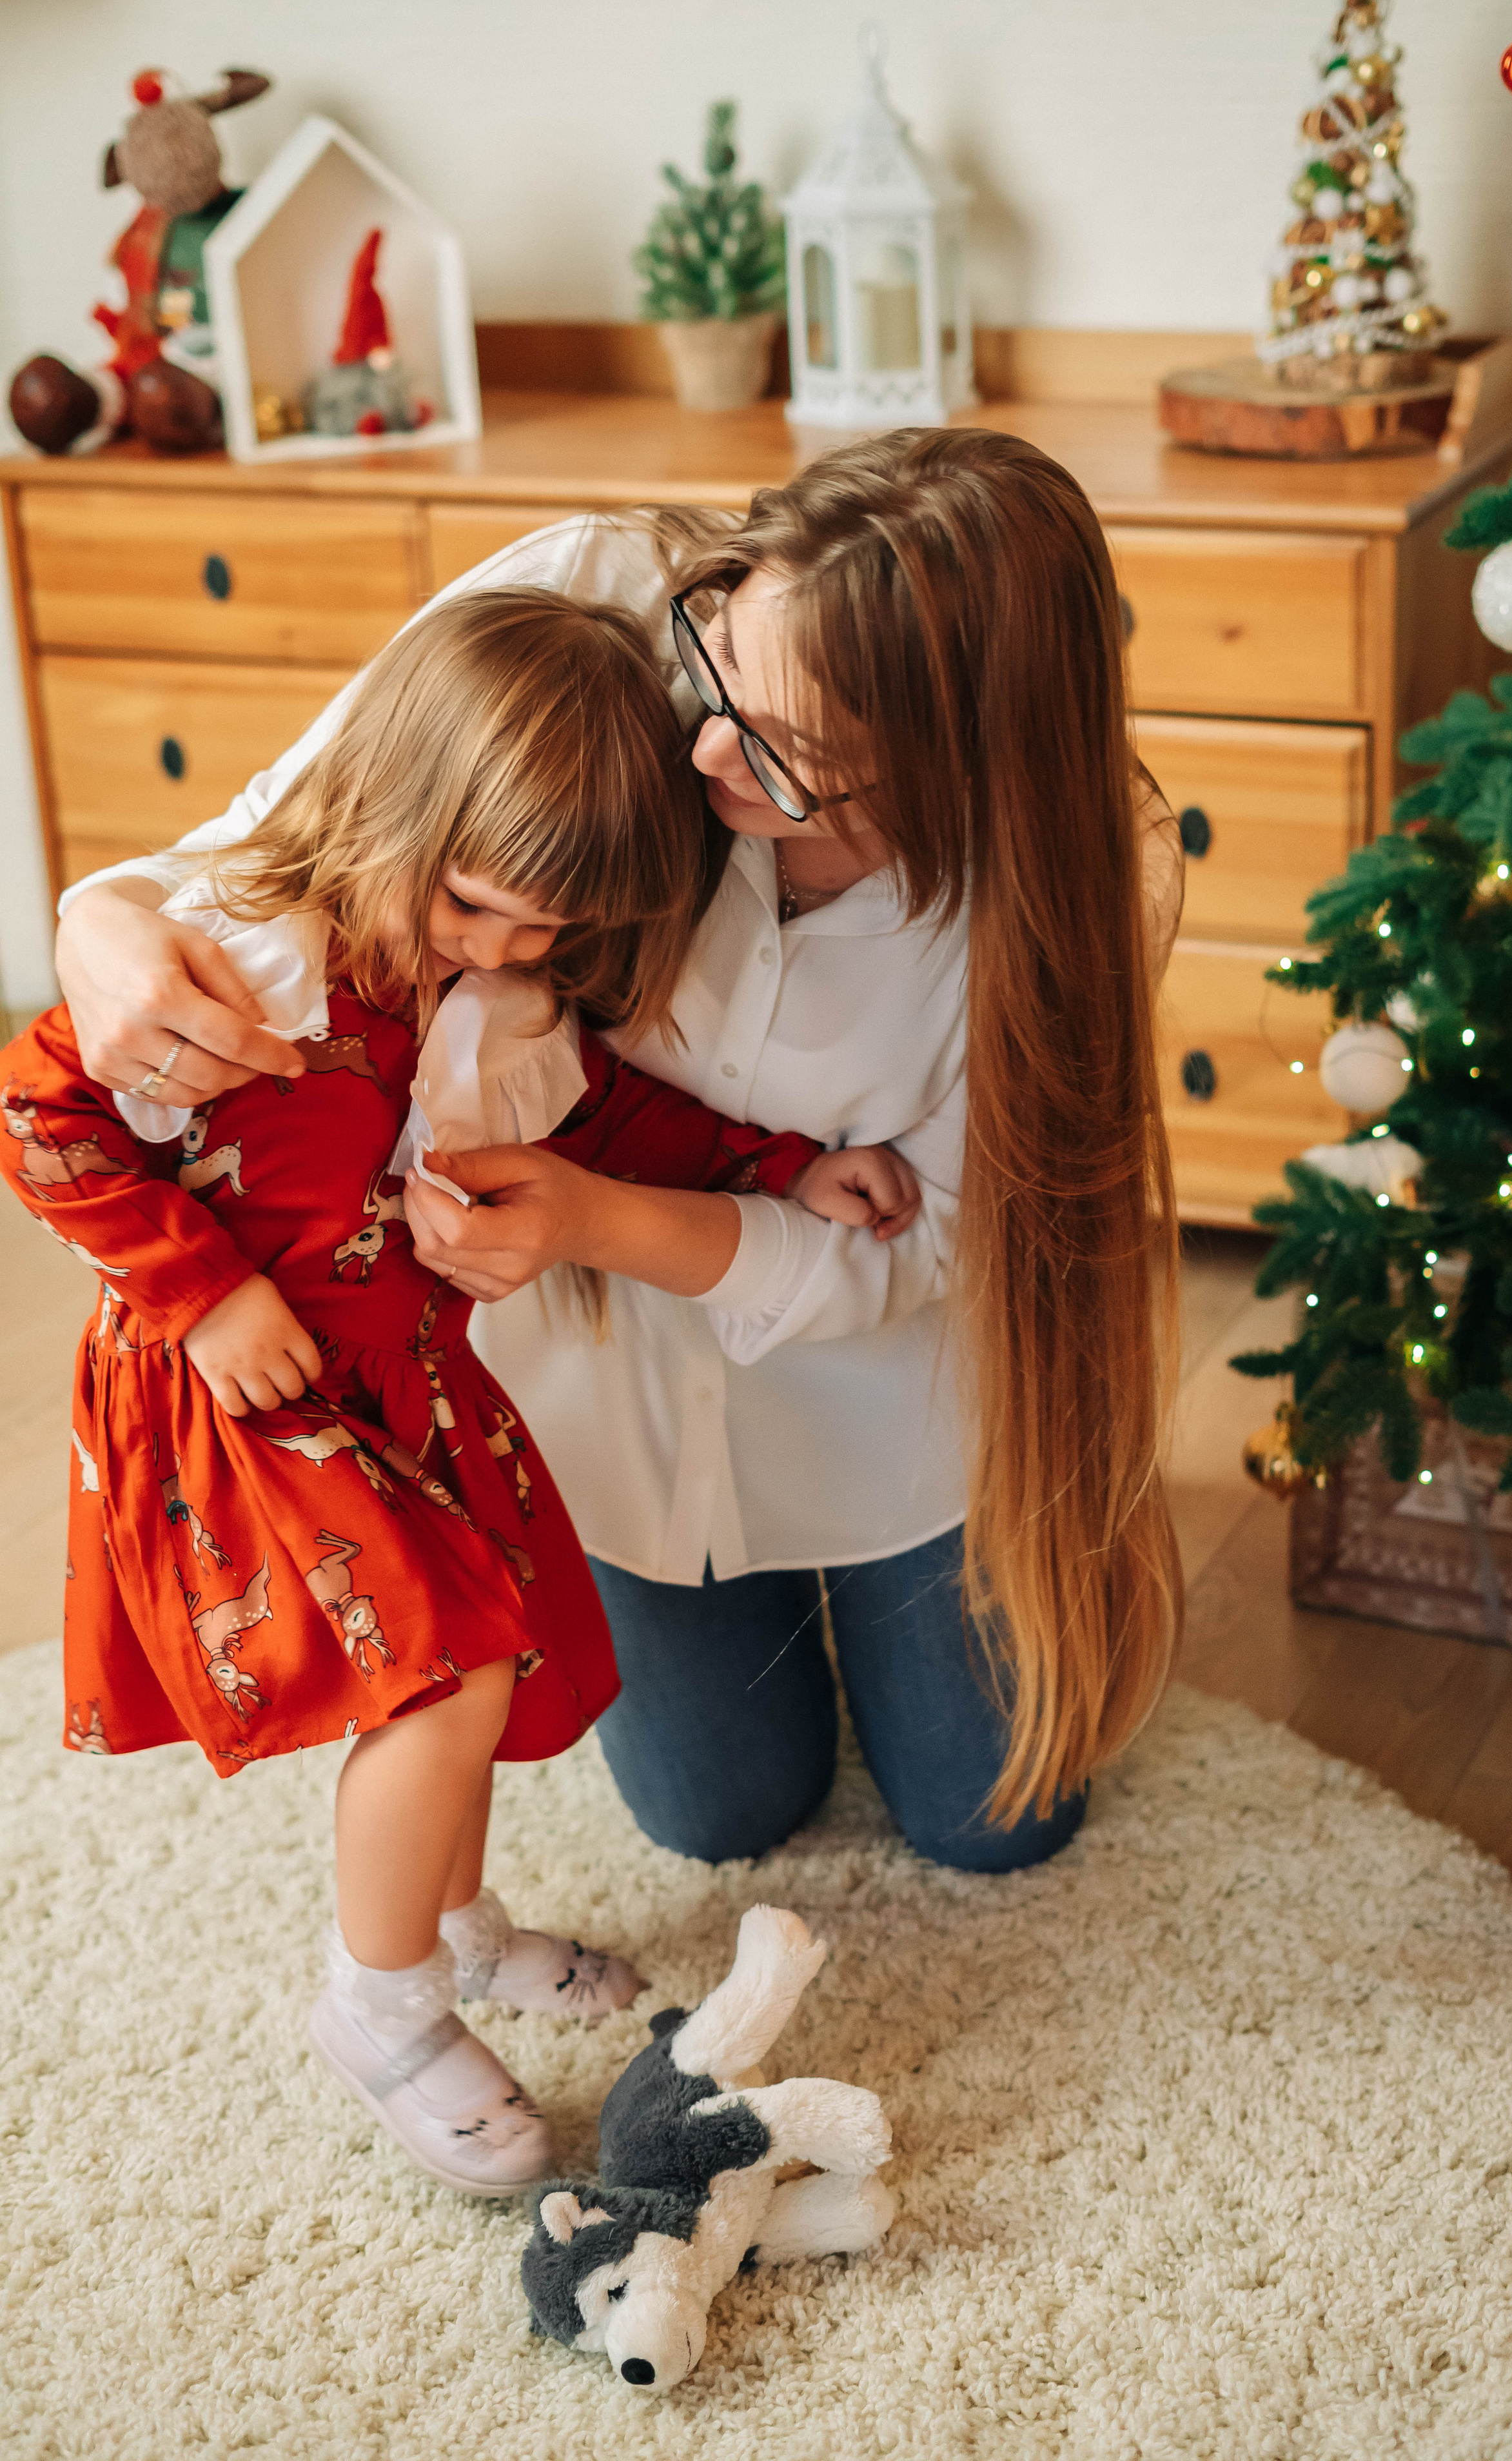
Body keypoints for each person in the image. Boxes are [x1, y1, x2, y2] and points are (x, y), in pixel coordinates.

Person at [53, 425, 1184, 1879]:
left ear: (948, 777)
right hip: (615, 1395)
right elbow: (290, 838)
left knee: (995, 1822)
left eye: (789, 755)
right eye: (721, 667)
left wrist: (603, 1215)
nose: (705, 748)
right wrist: (95, 922)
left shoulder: (1066, 897)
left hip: (892, 1393)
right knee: (715, 1813)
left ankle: (1017, 1551)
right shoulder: (610, 615)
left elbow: (936, 1238)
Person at [3, 585, 916, 2197]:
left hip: (401, 1377)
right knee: (435, 1676)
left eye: (540, 938)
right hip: (243, 1388)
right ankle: (381, 2007)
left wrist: (790, 1168)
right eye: (479, 912)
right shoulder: (251, 958)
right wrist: (200, 1289)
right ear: (405, 811)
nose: (502, 955)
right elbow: (38, 1105)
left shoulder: (494, 994)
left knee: (493, 1643)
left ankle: (450, 1924)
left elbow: (605, 1121)